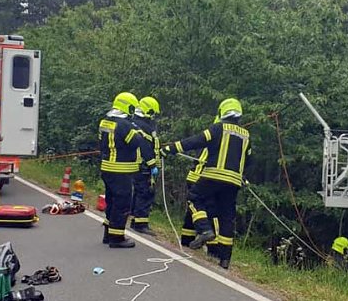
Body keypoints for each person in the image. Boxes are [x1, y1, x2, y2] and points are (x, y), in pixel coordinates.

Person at [163, 98, 251, 269]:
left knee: (194, 197)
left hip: (213, 175)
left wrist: (170, 149)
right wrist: (242, 176)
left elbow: (196, 141)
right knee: (227, 216)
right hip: (233, 181)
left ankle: (204, 230)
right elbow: (248, 159)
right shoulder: (246, 135)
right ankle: (224, 259)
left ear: (222, 112)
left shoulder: (219, 128)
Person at [99, 92, 156, 248]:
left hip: (106, 168)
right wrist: (137, 131)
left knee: (111, 202)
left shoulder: (105, 121)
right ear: (127, 106)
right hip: (121, 170)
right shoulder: (125, 125)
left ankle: (107, 234)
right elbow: (135, 142)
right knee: (122, 204)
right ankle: (117, 238)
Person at [129, 96, 161, 235]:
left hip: (134, 164)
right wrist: (152, 164)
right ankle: (141, 224)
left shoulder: (133, 122)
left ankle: (135, 219)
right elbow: (146, 147)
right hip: (143, 164)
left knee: (138, 192)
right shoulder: (145, 127)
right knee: (146, 192)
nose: (154, 117)